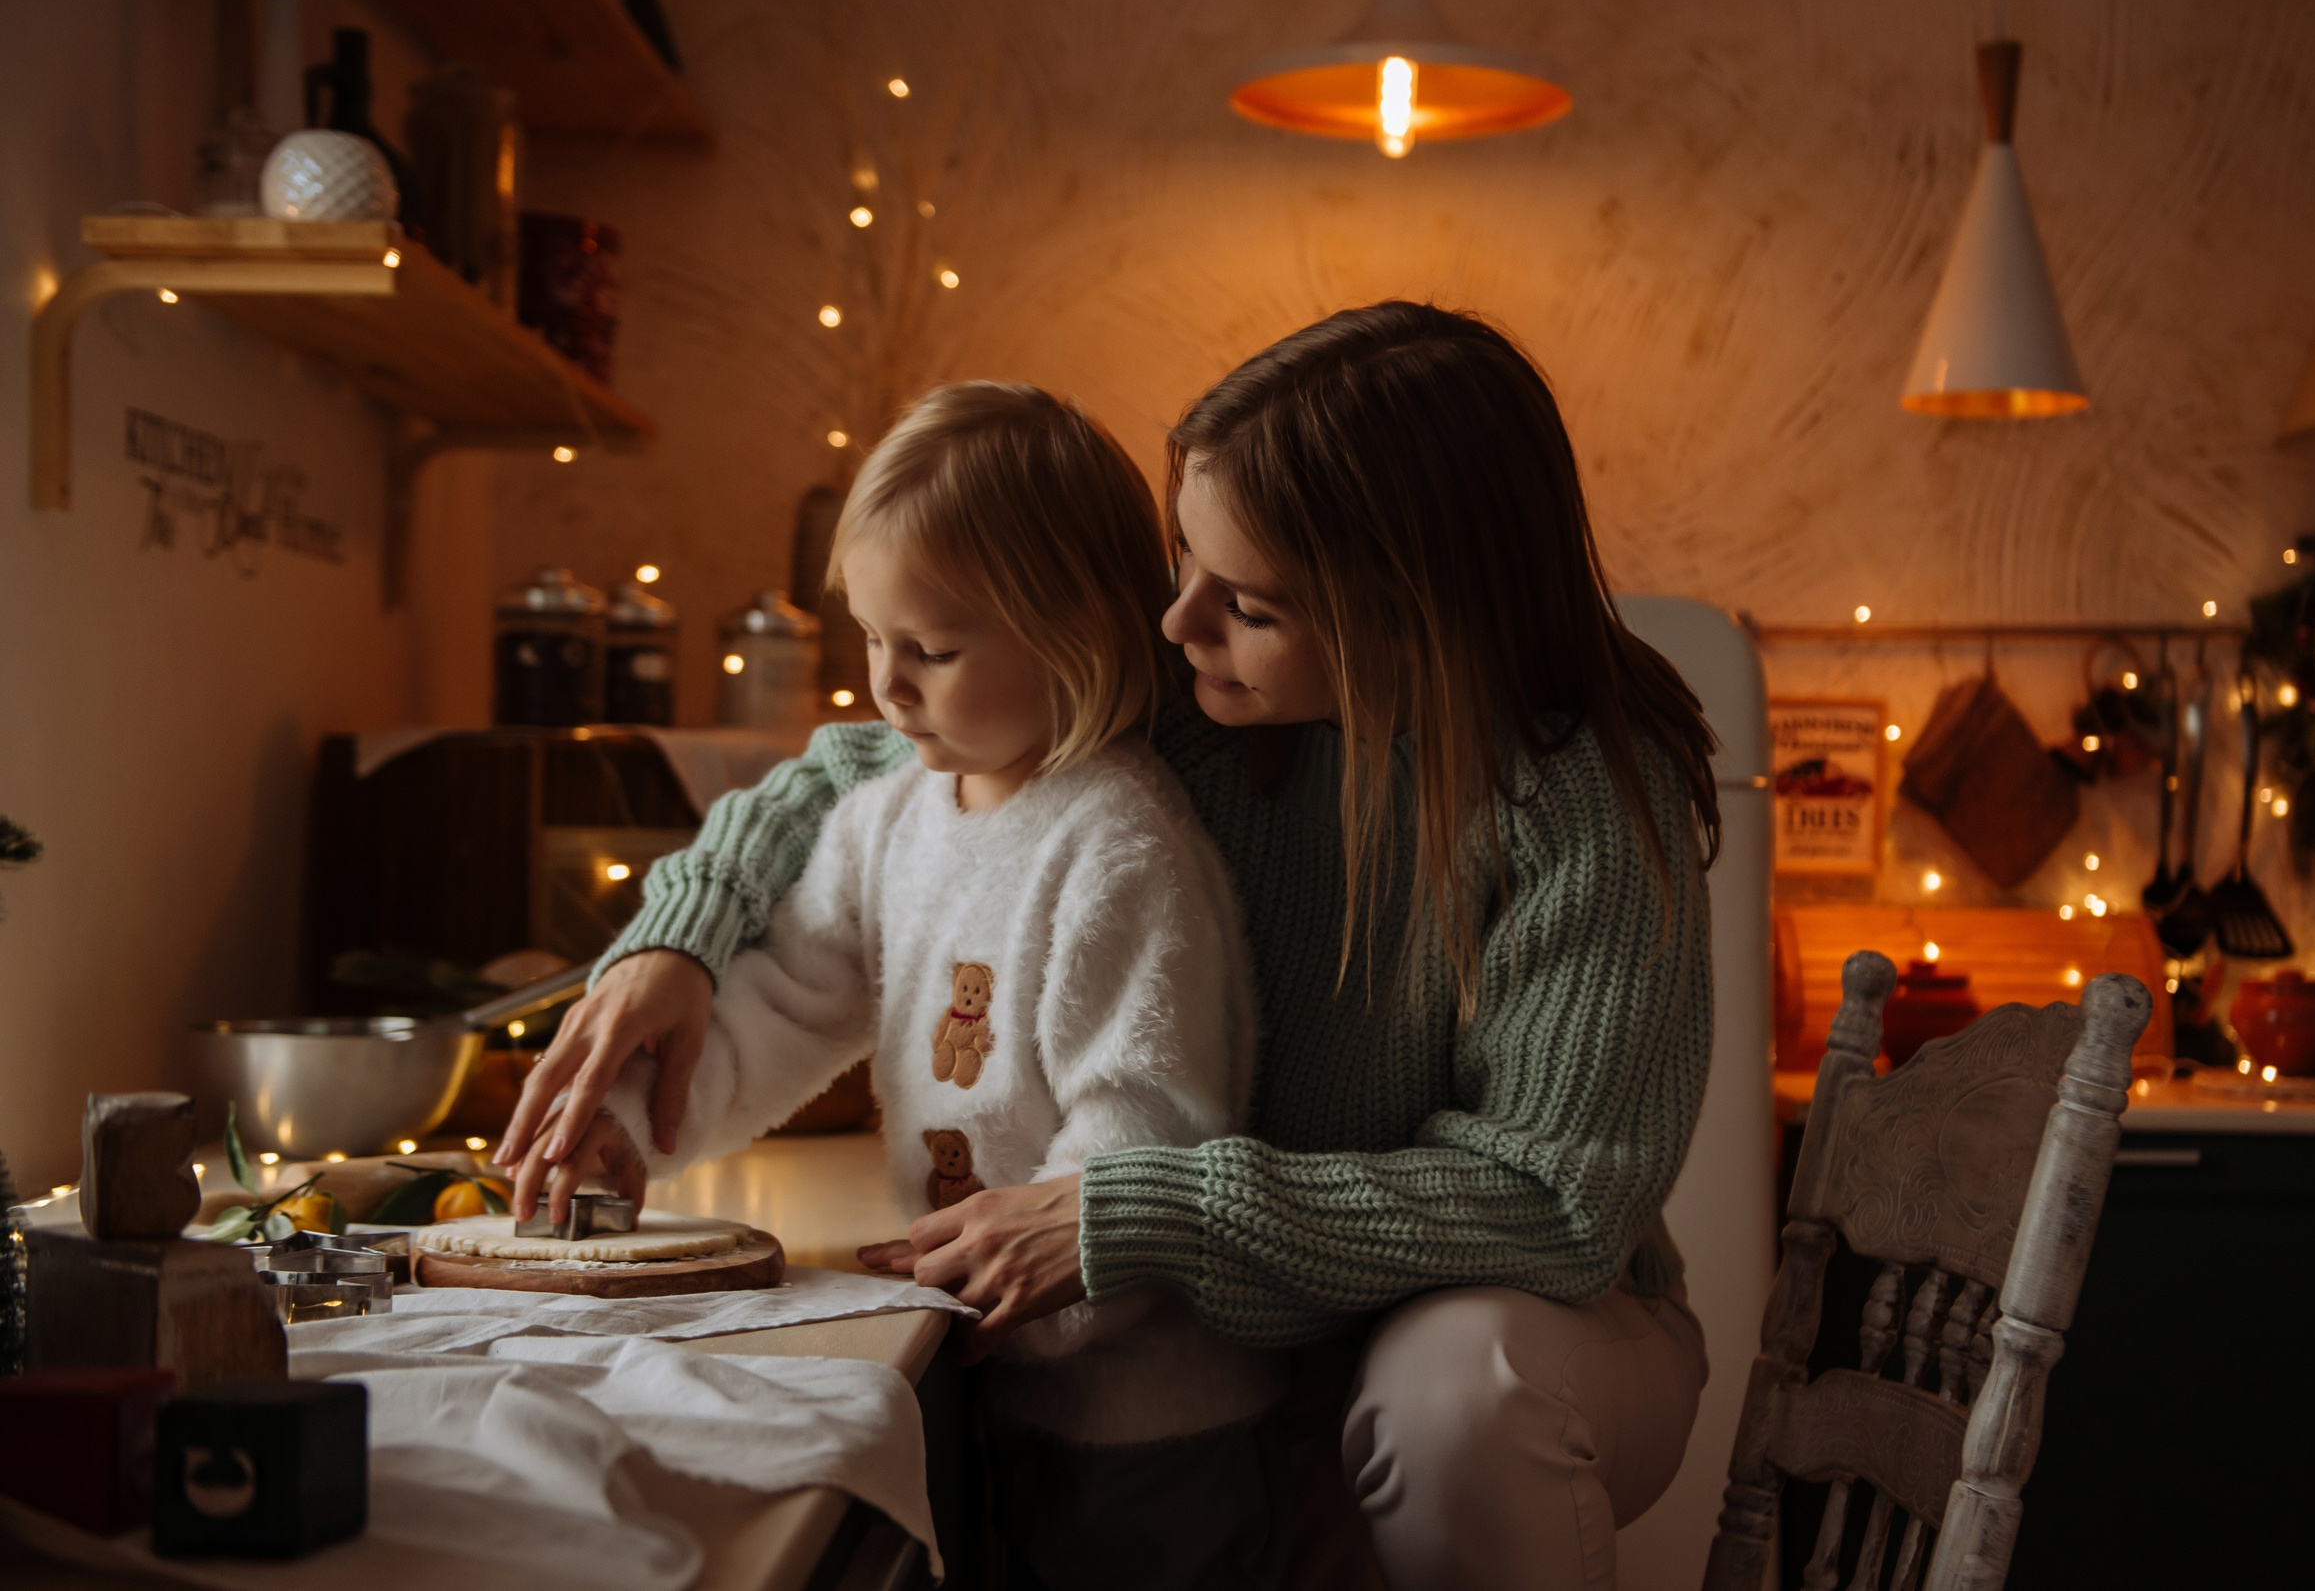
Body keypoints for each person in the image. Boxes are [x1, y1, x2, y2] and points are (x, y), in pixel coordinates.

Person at [501, 303, 1722, 1591]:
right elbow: (870, 767)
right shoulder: (1204, 696)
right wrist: (678, 940)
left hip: (1548, 1323)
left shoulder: (1582, 795)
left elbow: (1553, 1200)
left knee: (1453, 1387)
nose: (1178, 620)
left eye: (1243, 600)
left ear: (1405, 614)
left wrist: (1144, 1208)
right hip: (1246, 1344)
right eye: (1182, 560)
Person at [508, 383, 1282, 1588]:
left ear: (1076, 631)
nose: (886, 685)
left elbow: (1146, 1116)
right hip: (965, 1353)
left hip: (1145, 1413)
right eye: (870, 638)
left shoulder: (1120, 841)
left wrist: (1021, 1296)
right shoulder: (889, 819)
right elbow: (781, 1002)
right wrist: (631, 1130)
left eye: (931, 648)